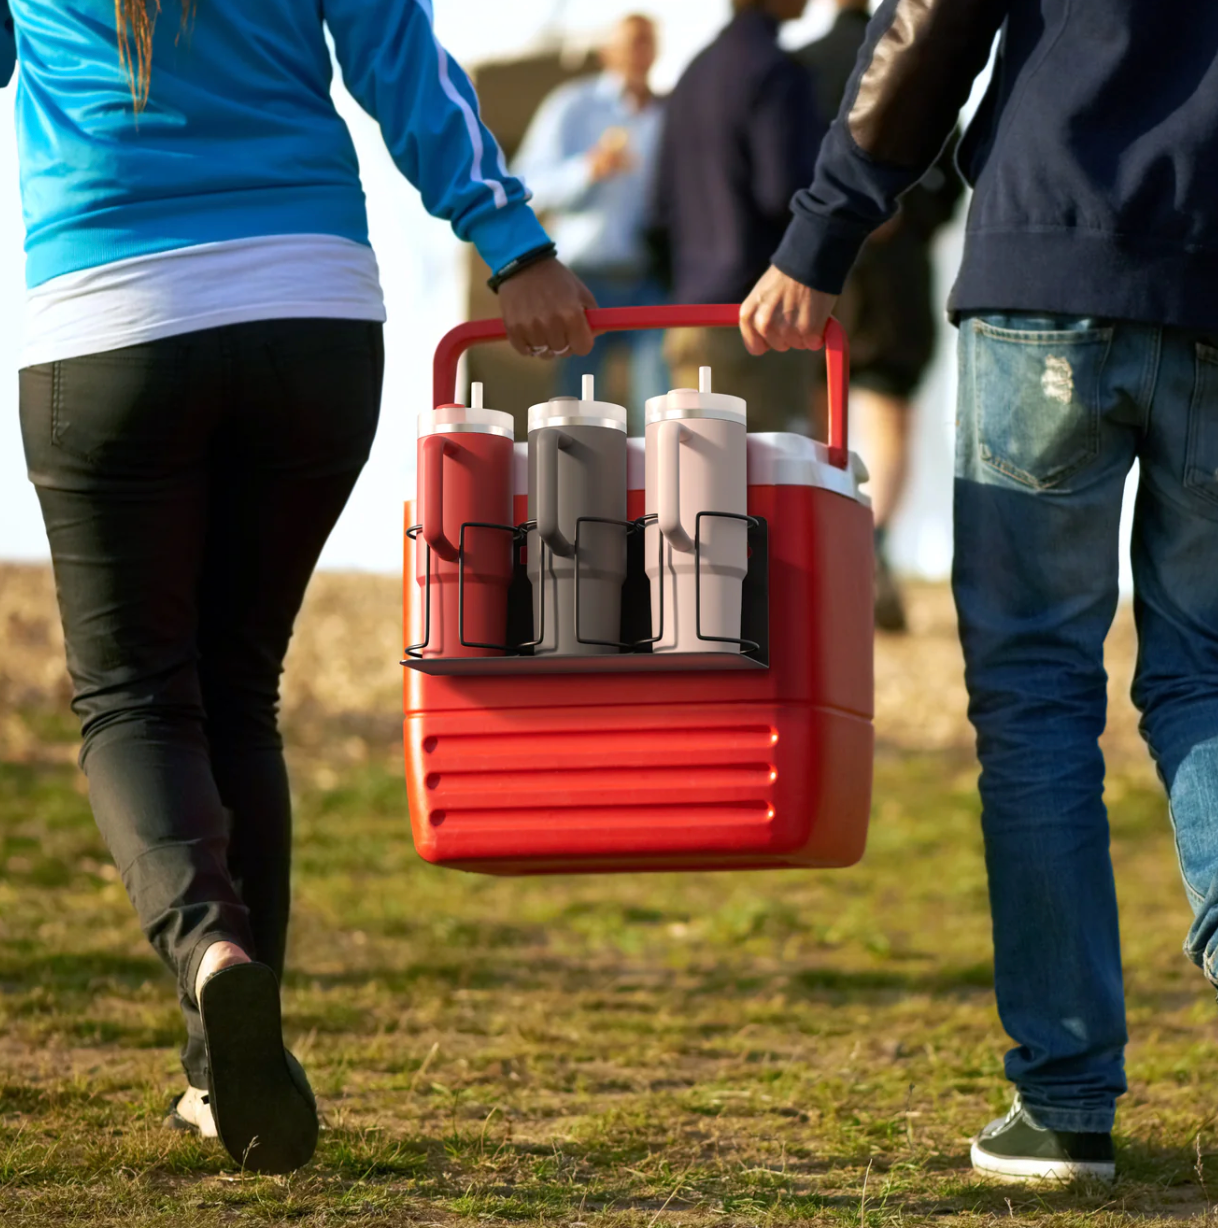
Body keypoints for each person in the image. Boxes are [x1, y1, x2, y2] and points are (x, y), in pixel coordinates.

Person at [6, 0, 594, 1175]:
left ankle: (213, 956)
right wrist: (511, 239)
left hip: (110, 311)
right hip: (311, 311)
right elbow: (403, 64)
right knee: (237, 691)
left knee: (133, 697)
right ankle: (221, 1076)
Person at [741, 0, 1218, 1185]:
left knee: (1038, 699)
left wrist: (824, 230)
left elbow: (928, 21)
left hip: (1046, 259)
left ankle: (1062, 1105)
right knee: (1206, 669)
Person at [794, 0, 963, 632]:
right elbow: (950, 169)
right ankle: (871, 547)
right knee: (887, 405)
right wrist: (907, 217)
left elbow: (779, 160)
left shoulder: (801, 65)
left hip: (815, 263)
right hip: (894, 266)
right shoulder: (919, 55)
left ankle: (821, 551)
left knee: (818, 404)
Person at [650, 0, 824, 433]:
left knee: (694, 488)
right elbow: (782, 191)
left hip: (690, 318)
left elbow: (657, 204)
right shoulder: (776, 70)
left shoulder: (692, 72)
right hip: (761, 323)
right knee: (770, 487)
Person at [514, 14, 667, 429]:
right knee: (576, 417)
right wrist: (588, 170)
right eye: (632, 41)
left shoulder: (666, 114)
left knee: (657, 409)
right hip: (581, 280)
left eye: (648, 41)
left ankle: (655, 493)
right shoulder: (572, 106)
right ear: (607, 52)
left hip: (647, 276)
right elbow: (526, 184)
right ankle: (571, 493)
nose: (641, 51)